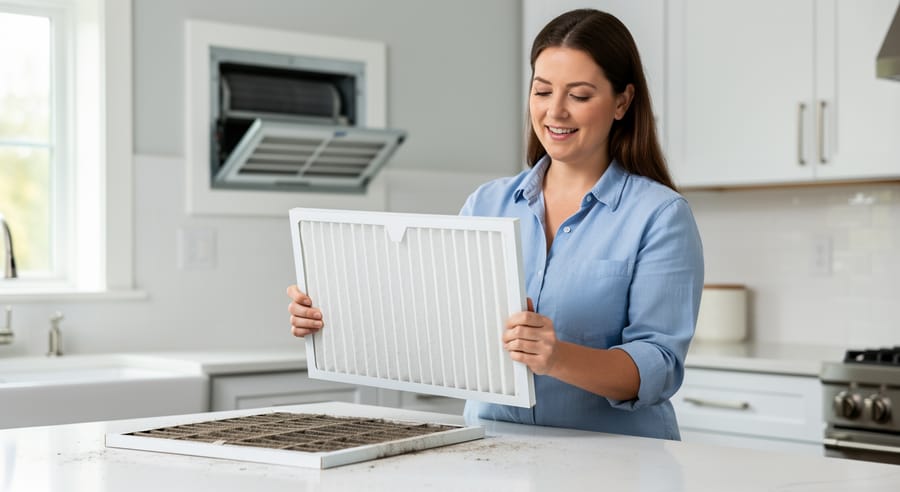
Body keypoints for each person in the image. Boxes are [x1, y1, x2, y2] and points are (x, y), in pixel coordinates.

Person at [287, 8, 703, 440]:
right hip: (494, 447)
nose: (555, 112)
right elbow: (439, 321)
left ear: (622, 101)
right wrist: (333, 316)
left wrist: (556, 356)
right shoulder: (487, 203)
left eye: (579, 96)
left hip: (618, 463)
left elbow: (659, 364)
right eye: (542, 92)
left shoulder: (659, 215)